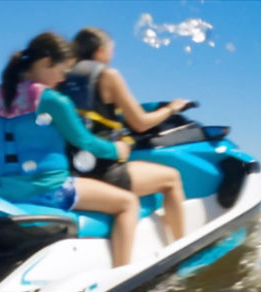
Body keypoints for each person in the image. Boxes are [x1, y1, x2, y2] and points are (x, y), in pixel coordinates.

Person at [0, 32, 140, 267]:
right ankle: (123, 275)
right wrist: (117, 150)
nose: (62, 79)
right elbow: (86, 142)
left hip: (5, 191)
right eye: (61, 70)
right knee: (128, 203)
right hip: (49, 188)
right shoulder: (52, 100)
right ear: (45, 62)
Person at [59, 27, 187, 243]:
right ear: (100, 51)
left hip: (75, 171)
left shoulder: (63, 79)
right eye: (111, 49)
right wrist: (172, 108)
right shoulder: (108, 76)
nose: (113, 55)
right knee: (172, 178)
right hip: (105, 170)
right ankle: (182, 246)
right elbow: (140, 123)